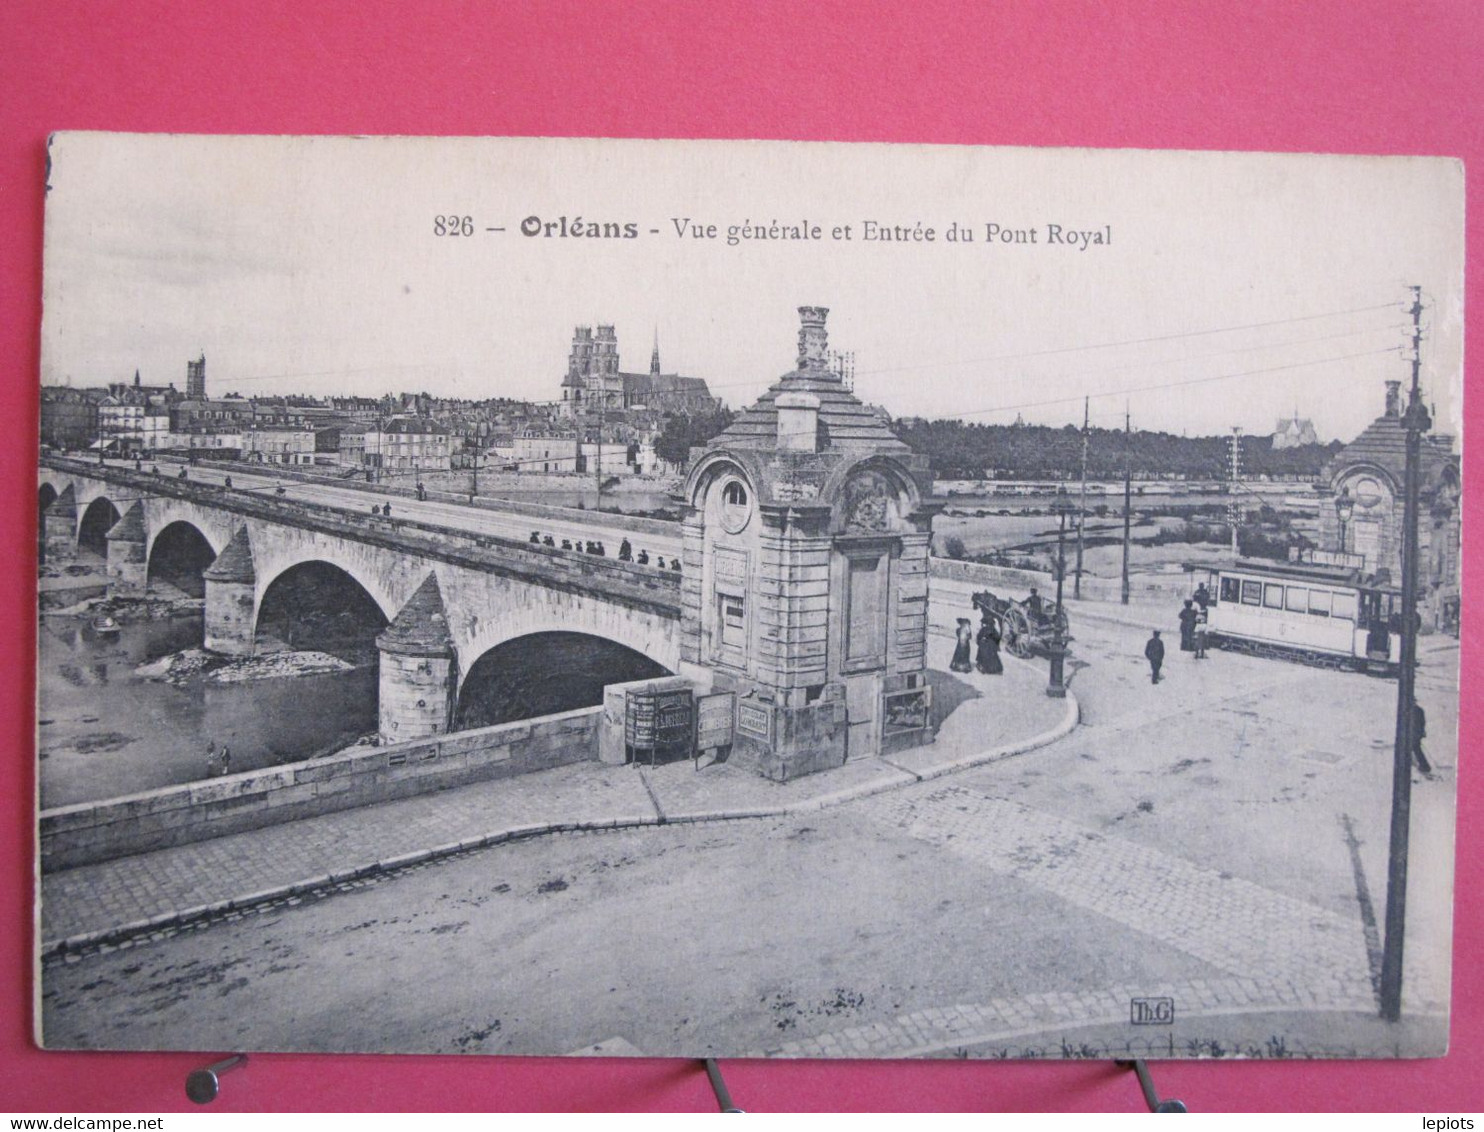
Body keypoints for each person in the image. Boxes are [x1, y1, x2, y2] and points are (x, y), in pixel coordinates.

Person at [1412, 702, 1433, 777]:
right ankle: (1424, 765)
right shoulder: (1419, 710)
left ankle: (1425, 766)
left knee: (1416, 748)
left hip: (1414, 733)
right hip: (1418, 733)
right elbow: (1423, 722)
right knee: (1416, 748)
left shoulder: (1413, 710)